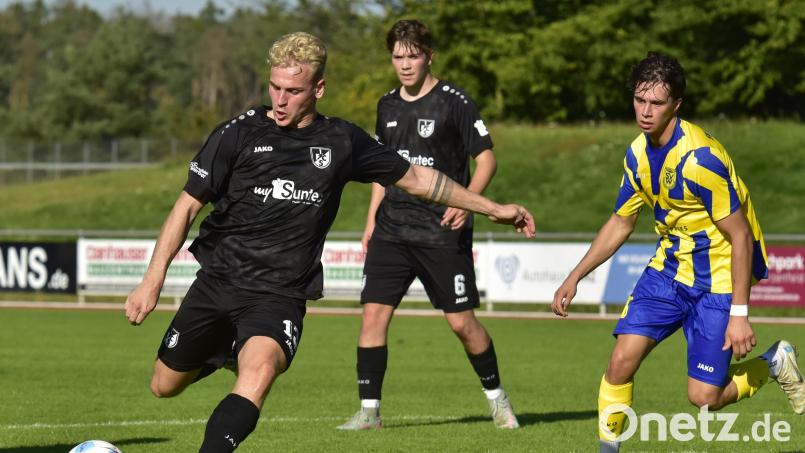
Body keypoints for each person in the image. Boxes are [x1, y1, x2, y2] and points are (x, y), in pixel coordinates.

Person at [124, 31, 535, 453]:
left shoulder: (342, 141)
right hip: (218, 282)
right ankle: (225, 350)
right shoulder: (237, 133)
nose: (280, 100)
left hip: (279, 294)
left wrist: (491, 207)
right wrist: (152, 280)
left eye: (293, 91)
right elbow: (185, 208)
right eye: (275, 88)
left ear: (318, 89)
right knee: (164, 385)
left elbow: (418, 179)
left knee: (260, 372)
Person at [551, 51, 804, 453]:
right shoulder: (636, 154)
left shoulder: (700, 160)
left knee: (704, 398)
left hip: (719, 278)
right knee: (620, 361)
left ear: (677, 106)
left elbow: (740, 237)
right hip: (668, 271)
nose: (644, 111)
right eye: (639, 99)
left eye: (656, 103)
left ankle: (773, 362)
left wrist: (740, 315)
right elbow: (620, 221)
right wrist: (574, 275)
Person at [336, 19, 519, 431]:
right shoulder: (387, 105)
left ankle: (498, 399)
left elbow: (486, 158)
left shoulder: (455, 101)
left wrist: (469, 204)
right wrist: (370, 224)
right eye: (398, 57)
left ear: (428, 56)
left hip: (442, 232)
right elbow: (385, 172)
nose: (404, 64)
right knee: (372, 316)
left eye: (412, 55)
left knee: (462, 324)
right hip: (392, 231)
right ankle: (369, 412)